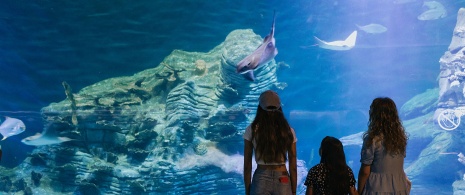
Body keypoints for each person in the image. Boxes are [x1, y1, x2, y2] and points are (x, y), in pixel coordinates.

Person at [243, 90, 297, 195]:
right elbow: (293, 165)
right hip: (283, 178)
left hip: (261, 178)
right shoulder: (288, 131)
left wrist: (247, 190)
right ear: (279, 108)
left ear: (260, 108)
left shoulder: (252, 129)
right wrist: (293, 191)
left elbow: (247, 166)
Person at [358, 97, 411, 194]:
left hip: (377, 188)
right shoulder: (400, 139)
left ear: (375, 115)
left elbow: (365, 172)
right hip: (399, 187)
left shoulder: (372, 139)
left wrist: (360, 191)